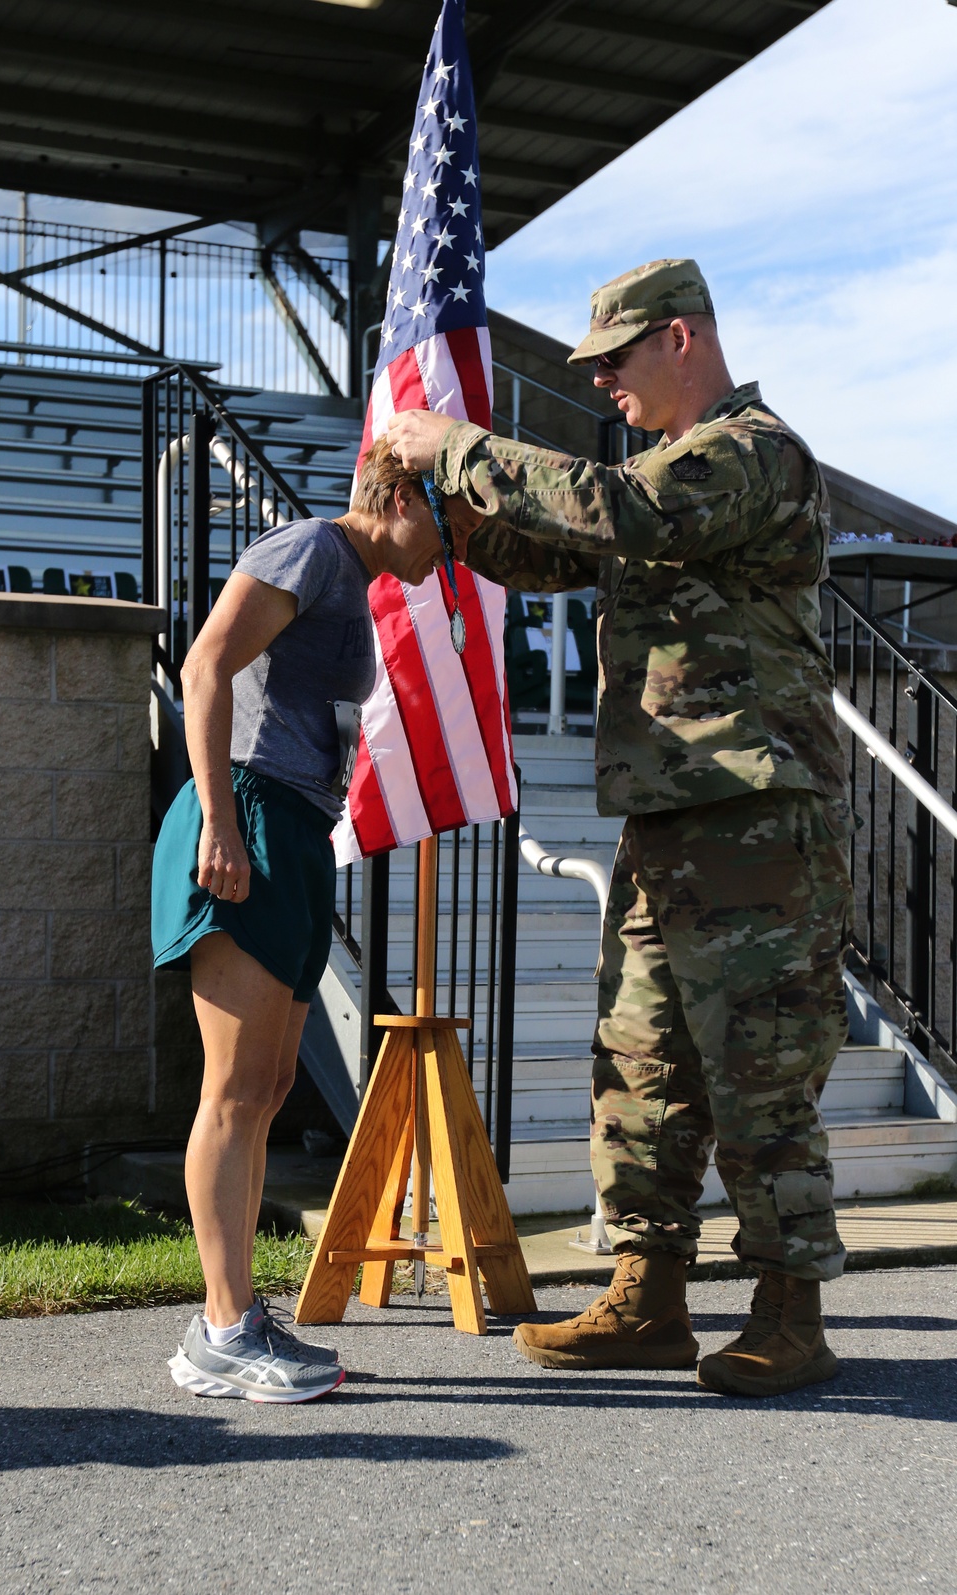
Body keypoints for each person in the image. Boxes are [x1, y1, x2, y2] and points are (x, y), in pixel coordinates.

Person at [385, 258, 854, 1398]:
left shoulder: (751, 453)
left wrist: (452, 445)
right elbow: (553, 549)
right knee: (639, 1062)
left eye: (615, 361)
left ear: (682, 339)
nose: (601, 384)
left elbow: (620, 509)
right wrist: (438, 519)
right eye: (591, 366)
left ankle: (791, 1310)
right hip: (668, 817)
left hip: (751, 815)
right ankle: (647, 1296)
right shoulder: (661, 471)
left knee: (758, 1070)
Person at [152, 438, 476, 1403]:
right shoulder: (307, 548)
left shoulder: (352, 580)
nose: (444, 551)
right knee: (237, 1090)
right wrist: (218, 819)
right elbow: (205, 665)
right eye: (443, 526)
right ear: (396, 496)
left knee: (269, 1083)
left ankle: (233, 1317)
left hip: (293, 829)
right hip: (245, 812)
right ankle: (223, 1329)